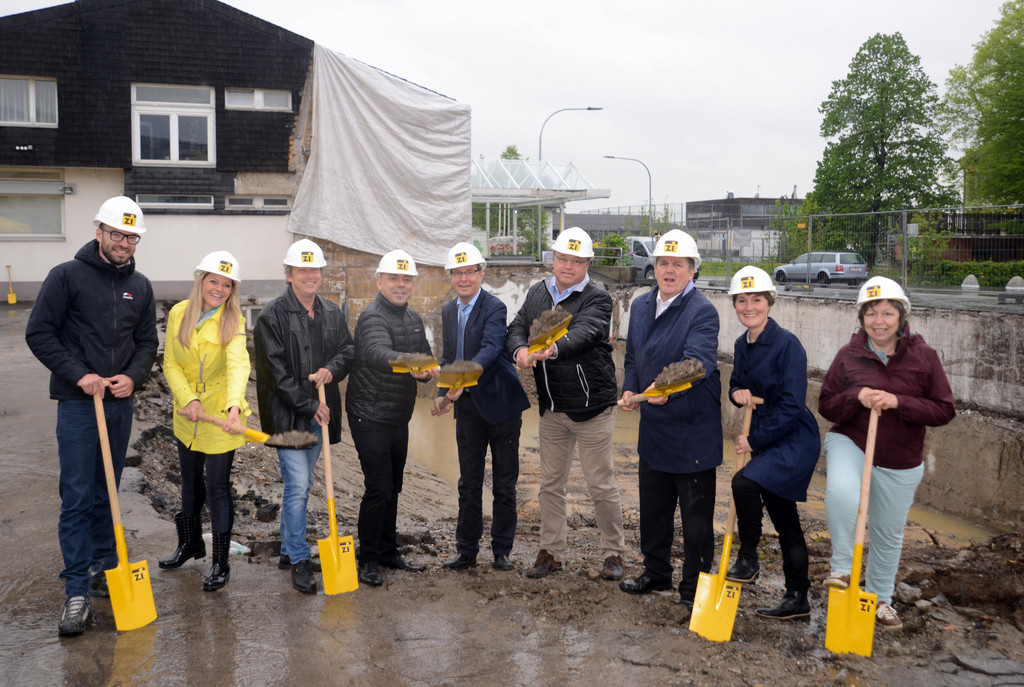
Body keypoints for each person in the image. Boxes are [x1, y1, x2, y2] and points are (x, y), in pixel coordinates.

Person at [25, 196, 158, 636]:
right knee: (78, 496)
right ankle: (76, 589)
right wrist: (80, 374)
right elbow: (39, 333)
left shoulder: (140, 285)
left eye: (132, 237)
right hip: (79, 406)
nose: (124, 243)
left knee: (108, 491)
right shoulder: (66, 276)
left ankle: (106, 567)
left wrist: (133, 377)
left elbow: (147, 343)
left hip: (119, 405)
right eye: (117, 234)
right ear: (99, 231)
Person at [819, 276, 955, 631]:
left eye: (887, 313)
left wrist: (898, 402)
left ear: (901, 317)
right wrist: (856, 396)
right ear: (861, 317)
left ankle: (879, 600)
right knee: (842, 493)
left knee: (887, 533)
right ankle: (842, 569)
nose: (878, 321)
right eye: (871, 313)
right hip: (852, 441)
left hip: (900, 457)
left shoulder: (924, 357)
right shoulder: (848, 355)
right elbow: (827, 405)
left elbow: (944, 410)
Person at [506, 227, 626, 582]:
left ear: (588, 263)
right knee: (550, 485)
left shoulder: (597, 298)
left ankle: (613, 553)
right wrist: (519, 349)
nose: (568, 266)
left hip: (592, 407)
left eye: (576, 260)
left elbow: (587, 333)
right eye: (562, 258)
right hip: (552, 407)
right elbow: (517, 326)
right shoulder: (538, 292)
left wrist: (553, 348)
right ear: (553, 259)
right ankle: (551, 553)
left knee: (600, 485)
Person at [617, 230, 721, 608]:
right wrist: (631, 388)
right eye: (663, 263)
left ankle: (694, 587)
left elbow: (697, 362)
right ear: (655, 267)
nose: (669, 270)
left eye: (678, 264)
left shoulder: (702, 312)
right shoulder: (641, 306)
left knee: (695, 519)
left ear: (693, 271)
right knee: (654, 509)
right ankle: (656, 571)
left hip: (692, 432)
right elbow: (633, 357)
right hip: (655, 429)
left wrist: (664, 389)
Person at [254, 239, 354, 595]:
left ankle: (287, 550)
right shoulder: (271, 316)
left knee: (302, 485)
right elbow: (274, 373)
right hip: (288, 418)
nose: (310, 275)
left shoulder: (332, 312)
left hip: (319, 415)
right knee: (298, 486)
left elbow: (348, 350)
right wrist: (309, 405)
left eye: (315, 269)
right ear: (289, 275)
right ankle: (298, 558)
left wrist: (331, 369)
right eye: (302, 270)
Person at [722, 266, 821, 619]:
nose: (749, 307)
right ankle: (798, 598)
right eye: (742, 301)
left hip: (794, 439)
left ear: (770, 302)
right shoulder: (741, 344)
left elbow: (793, 405)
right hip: (767, 437)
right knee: (785, 519)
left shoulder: (787, 345)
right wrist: (737, 392)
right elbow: (736, 383)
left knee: (743, 483)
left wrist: (754, 440)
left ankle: (748, 557)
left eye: (756, 300)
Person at [431, 243, 530, 571]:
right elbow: (449, 357)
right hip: (468, 408)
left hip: (502, 405)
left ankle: (502, 550)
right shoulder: (448, 311)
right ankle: (467, 551)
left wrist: (463, 378)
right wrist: (443, 392)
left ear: (480, 274)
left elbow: (490, 348)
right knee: (469, 482)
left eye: (469, 272)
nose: (463, 279)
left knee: (504, 482)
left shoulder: (494, 307)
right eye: (457, 273)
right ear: (450, 277)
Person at [159, 251, 249, 592]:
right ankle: (190, 544)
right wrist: (189, 399)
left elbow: (238, 364)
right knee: (189, 481)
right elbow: (170, 363)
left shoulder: (233, 320)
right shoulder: (179, 313)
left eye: (227, 285)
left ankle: (220, 562)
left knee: (218, 488)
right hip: (187, 413)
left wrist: (234, 406)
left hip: (221, 414)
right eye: (214, 281)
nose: (219, 289)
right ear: (201, 280)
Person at [347, 249, 438, 587]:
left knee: (394, 487)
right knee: (379, 487)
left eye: (406, 279)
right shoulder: (371, 317)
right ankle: (368, 559)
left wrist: (427, 371)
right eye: (394, 278)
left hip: (398, 415)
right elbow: (376, 353)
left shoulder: (413, 318)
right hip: (369, 415)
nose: (401, 284)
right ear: (379, 282)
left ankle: (388, 551)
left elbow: (425, 357)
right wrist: (411, 363)